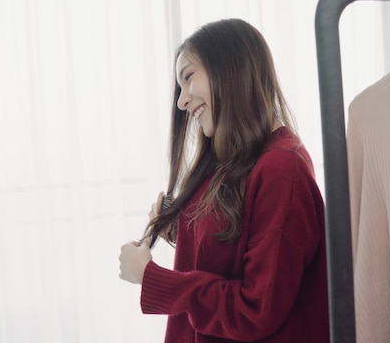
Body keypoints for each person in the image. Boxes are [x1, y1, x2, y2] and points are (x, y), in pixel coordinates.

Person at [118, 18, 329, 343]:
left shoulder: (283, 168)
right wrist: (183, 226)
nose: (181, 102)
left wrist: (151, 278)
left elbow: (255, 308)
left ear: (230, 69)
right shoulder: (238, 161)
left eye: (188, 78)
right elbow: (238, 249)